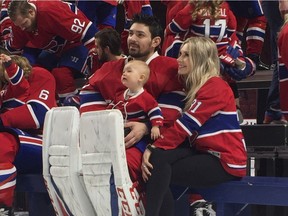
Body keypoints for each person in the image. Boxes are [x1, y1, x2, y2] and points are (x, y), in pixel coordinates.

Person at [79, 14, 185, 211]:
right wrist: (108, 124)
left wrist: (145, 126)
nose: (132, 39)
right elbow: (87, 93)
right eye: (130, 33)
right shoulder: (112, 67)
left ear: (156, 41)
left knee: (119, 167)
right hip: (110, 139)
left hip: (152, 142)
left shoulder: (169, 68)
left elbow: (172, 111)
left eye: (140, 35)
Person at [141, 37, 247, 216]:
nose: (179, 59)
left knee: (157, 168)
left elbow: (186, 125)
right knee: (158, 162)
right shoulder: (196, 87)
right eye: (180, 54)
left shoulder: (216, 85)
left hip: (224, 160)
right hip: (204, 152)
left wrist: (154, 147)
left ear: (201, 59)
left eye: (186, 55)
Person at [5, 0, 98, 104]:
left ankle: (73, 105)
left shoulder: (51, 10)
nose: (22, 28)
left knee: (61, 75)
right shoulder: (20, 25)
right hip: (55, 49)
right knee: (32, 73)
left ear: (31, 12)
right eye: (19, 26)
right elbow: (14, 50)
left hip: (75, 43)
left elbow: (89, 33)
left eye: (24, 23)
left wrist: (99, 65)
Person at [0, 51, 57, 214]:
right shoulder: (4, 88)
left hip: (43, 139)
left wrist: (2, 120)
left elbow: (37, 114)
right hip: (16, 140)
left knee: (2, 143)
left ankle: (3, 206)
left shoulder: (38, 75)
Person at [108, 60, 163, 141]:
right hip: (118, 127)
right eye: (123, 71)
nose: (124, 73)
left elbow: (155, 111)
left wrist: (155, 126)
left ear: (141, 78)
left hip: (133, 131)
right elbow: (112, 107)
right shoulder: (120, 94)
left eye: (129, 71)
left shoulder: (146, 98)